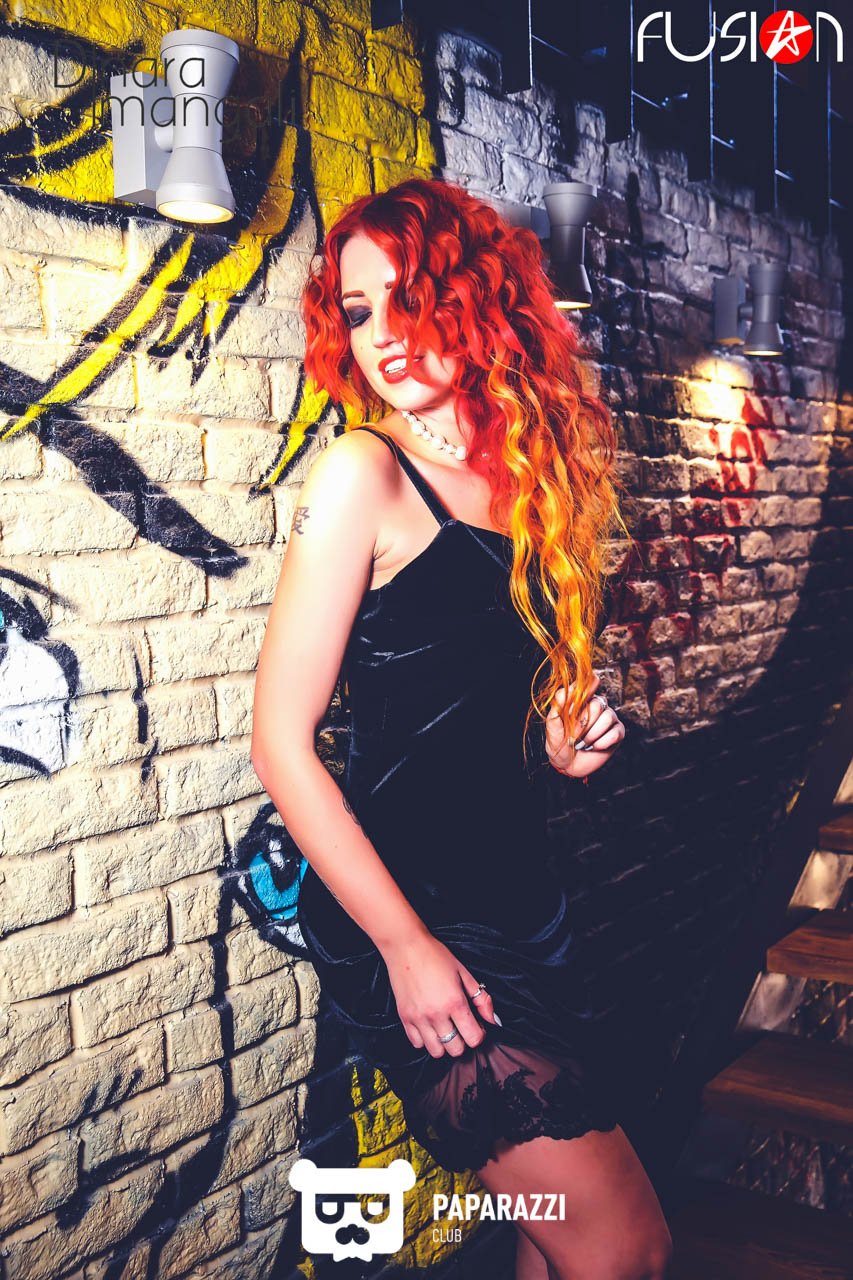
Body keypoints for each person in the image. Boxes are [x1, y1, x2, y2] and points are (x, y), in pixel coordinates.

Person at [251, 177, 673, 1280]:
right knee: (623, 1245)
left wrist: (562, 742)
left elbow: (485, 701)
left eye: (410, 297)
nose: (383, 334)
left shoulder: (527, 478)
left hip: (524, 900)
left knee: (548, 1229)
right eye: (358, 311)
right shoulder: (364, 472)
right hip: (418, 909)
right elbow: (281, 743)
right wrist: (405, 946)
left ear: (474, 298)